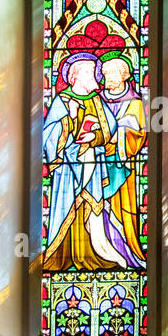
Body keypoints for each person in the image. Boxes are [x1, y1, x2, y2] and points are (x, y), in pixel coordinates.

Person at [43, 51, 135, 271]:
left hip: (92, 162)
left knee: (92, 211)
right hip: (68, 169)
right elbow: (48, 135)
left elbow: (109, 127)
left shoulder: (95, 100)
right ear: (75, 76)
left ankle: (94, 255)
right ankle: (62, 256)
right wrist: (71, 118)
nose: (94, 76)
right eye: (88, 73)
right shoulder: (62, 101)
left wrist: (95, 136)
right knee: (68, 208)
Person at [99, 53, 146, 268]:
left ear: (124, 75)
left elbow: (140, 134)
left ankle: (125, 251)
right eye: (105, 73)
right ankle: (101, 252)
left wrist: (120, 133)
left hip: (122, 166)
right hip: (96, 164)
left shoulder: (135, 102)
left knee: (122, 210)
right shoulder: (96, 100)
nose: (107, 77)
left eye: (111, 73)